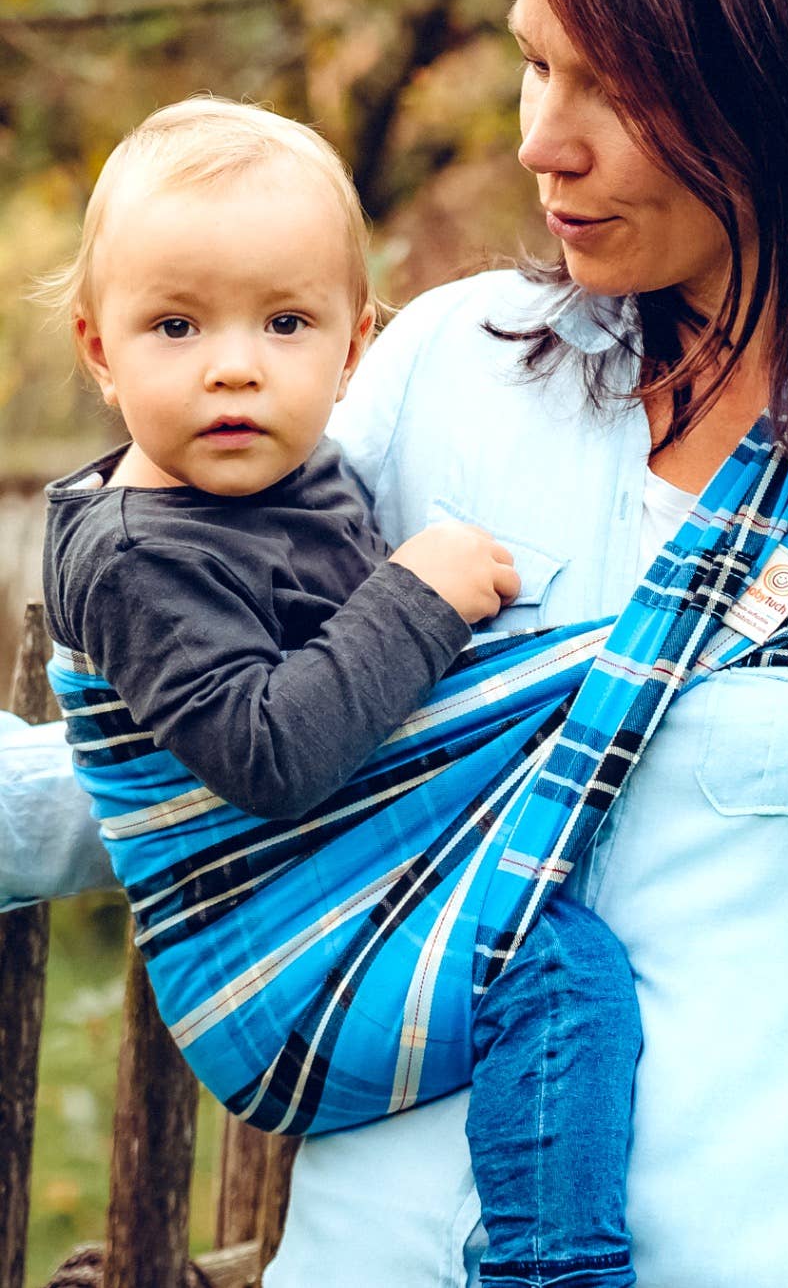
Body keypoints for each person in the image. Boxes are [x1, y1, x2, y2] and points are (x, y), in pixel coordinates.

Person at [3, 0, 788, 1284]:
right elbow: (230, 741)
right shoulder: (452, 369)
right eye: (535, 64)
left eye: (614, 87)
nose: (542, 142)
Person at [39, 96, 644, 1288]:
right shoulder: (137, 554)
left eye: (284, 322)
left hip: (352, 907)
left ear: (353, 346)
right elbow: (272, 755)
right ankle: (554, 1268)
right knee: (555, 968)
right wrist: (420, 596)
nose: (232, 365)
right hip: (268, 978)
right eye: (175, 324)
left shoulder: (296, 479)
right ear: (100, 350)